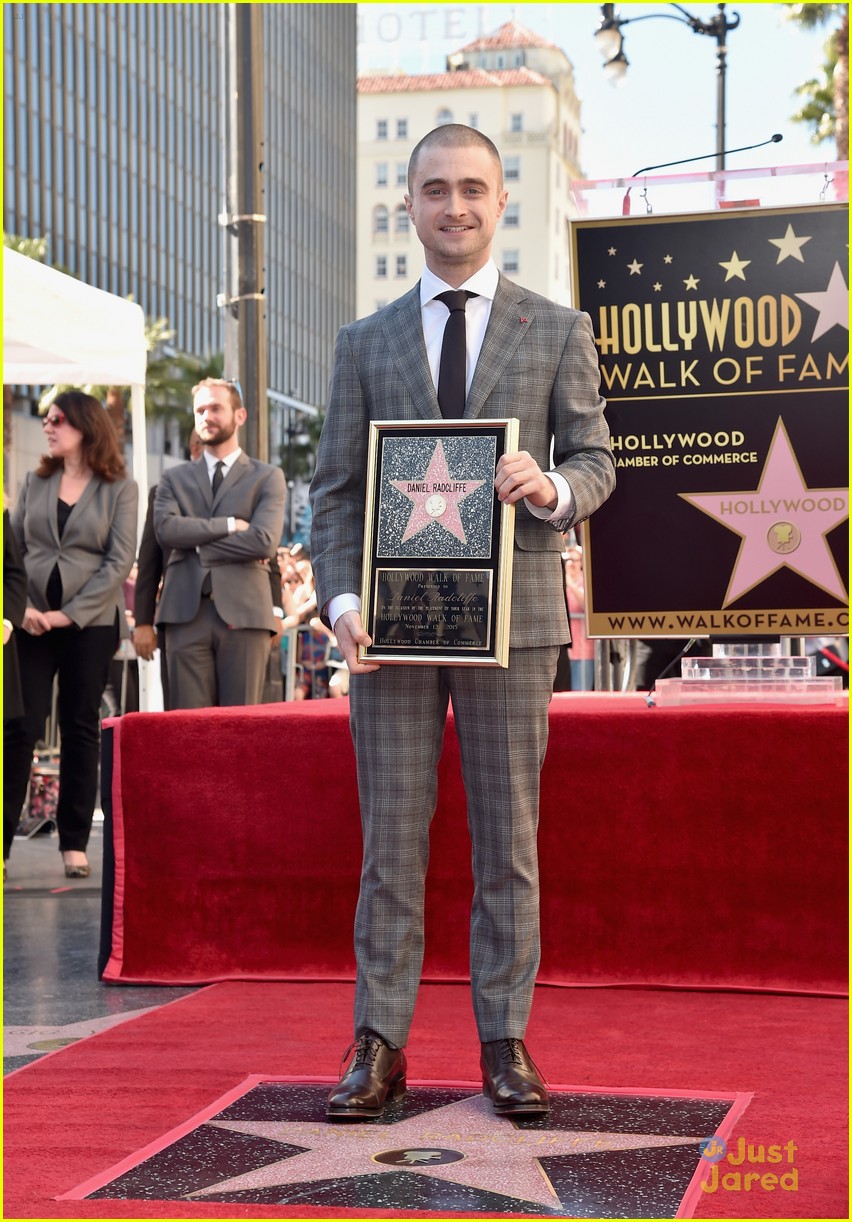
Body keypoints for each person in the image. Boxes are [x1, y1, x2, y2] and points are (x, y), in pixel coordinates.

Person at [310, 124, 615, 1121]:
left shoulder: (556, 328)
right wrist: (343, 603)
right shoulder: (363, 343)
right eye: (436, 189)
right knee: (389, 845)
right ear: (409, 203)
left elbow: (598, 465)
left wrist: (553, 487)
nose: (455, 206)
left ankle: (504, 1043)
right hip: (391, 630)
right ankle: (380, 1044)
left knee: (507, 842)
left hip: (515, 623)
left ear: (501, 201)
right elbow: (335, 492)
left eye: (473, 188)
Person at [3, 392, 138, 878]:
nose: (48, 426)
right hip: (29, 623)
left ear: (85, 425)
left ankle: (74, 843)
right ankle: (1, 846)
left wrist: (68, 614)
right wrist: (24, 609)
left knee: (80, 727)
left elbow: (118, 562)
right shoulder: (34, 481)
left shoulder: (120, 486)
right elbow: (12, 550)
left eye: (57, 419)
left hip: (91, 626)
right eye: (45, 419)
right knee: (19, 727)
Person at [153, 379, 286, 708]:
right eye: (199, 410)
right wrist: (228, 525)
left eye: (215, 408)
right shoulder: (173, 478)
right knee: (187, 734)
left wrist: (197, 546)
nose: (206, 416)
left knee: (241, 734)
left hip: (246, 615)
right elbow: (166, 531)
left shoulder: (267, 476)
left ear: (239, 415)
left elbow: (263, 541)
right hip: (183, 613)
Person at [132, 432, 204, 709]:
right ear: (192, 447)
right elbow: (148, 562)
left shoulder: (248, 485)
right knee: (181, 714)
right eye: (198, 443)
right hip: (178, 616)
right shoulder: (163, 491)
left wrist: (273, 610)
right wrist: (143, 622)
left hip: (234, 617)